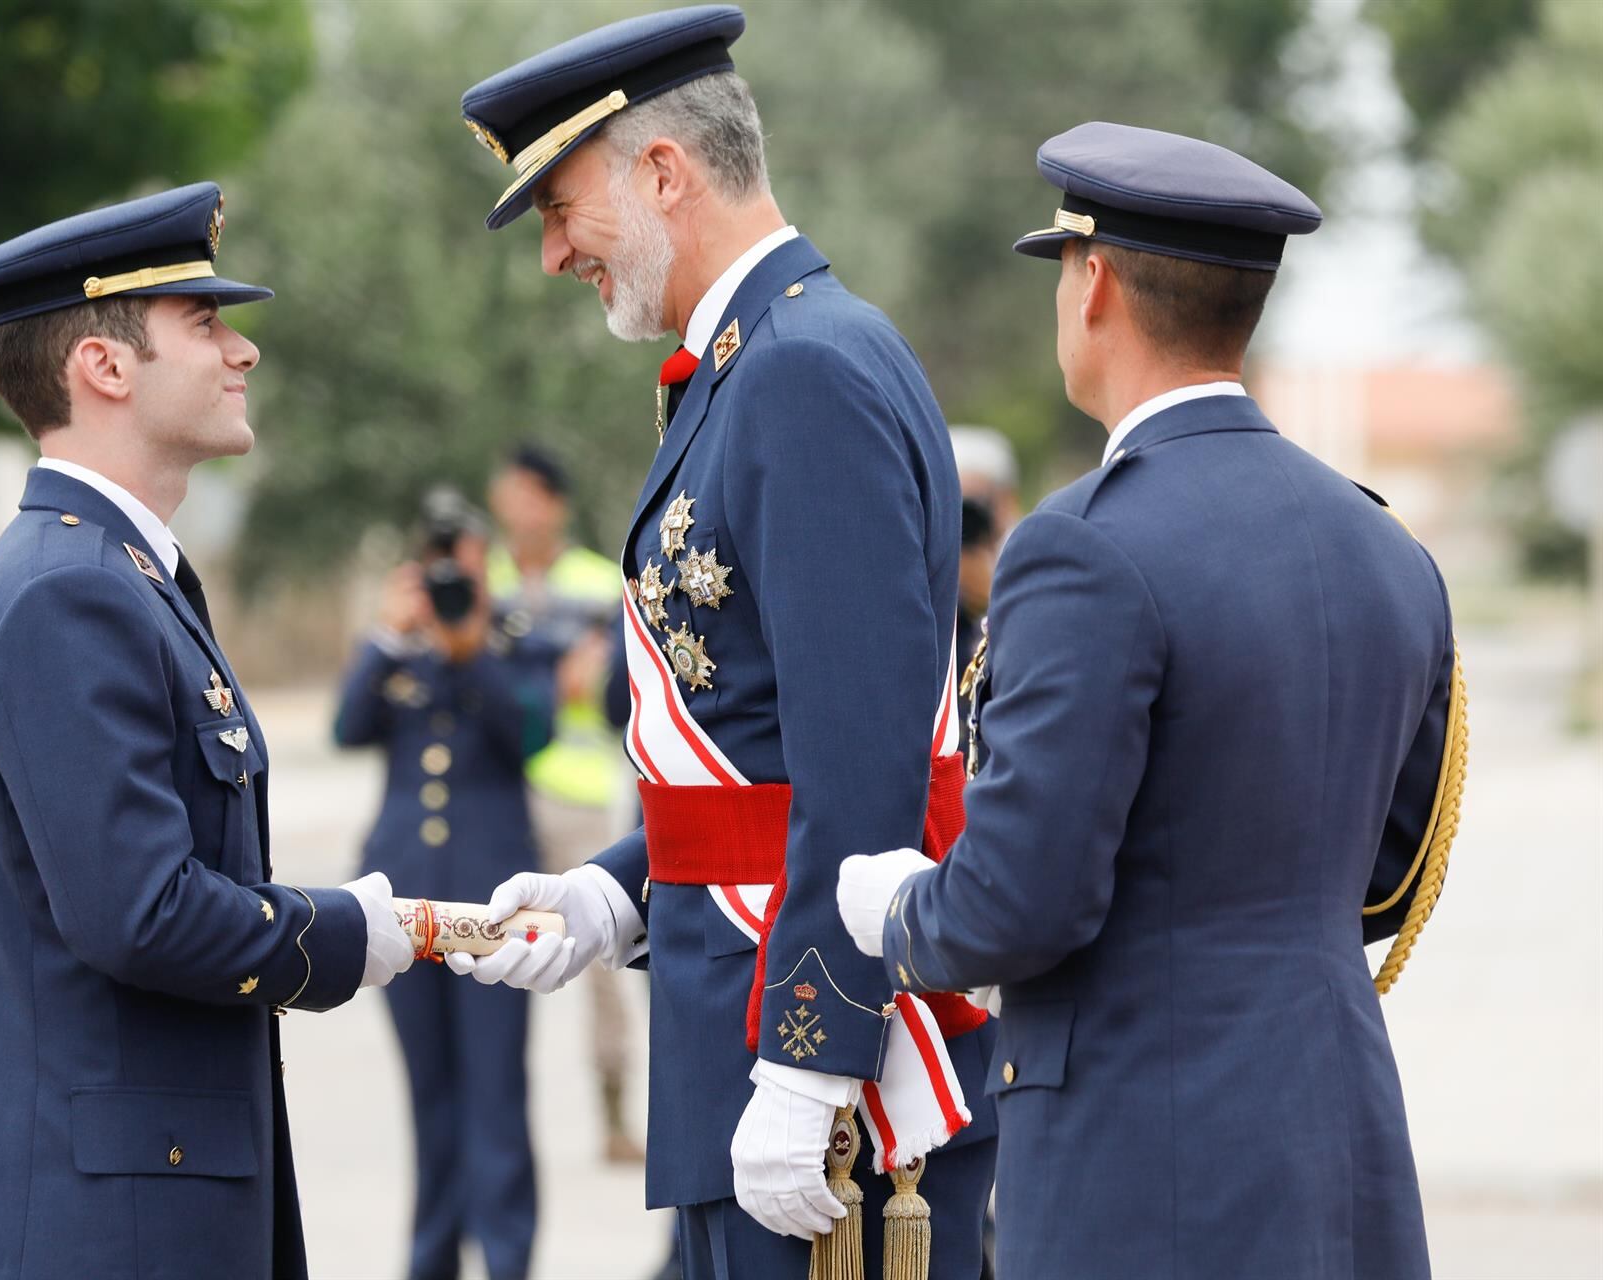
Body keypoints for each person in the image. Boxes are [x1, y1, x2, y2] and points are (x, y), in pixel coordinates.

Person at [837, 123, 1456, 1280]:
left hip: (1143, 1144)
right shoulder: (1388, 547)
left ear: (1096, 282)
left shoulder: (1082, 546)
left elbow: (1022, 902)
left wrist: (903, 911)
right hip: (1339, 1128)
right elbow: (1389, 875)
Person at [448, 9, 999, 1277]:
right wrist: (616, 889)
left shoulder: (802, 371)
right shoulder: (761, 362)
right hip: (731, 1014)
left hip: (813, 1068)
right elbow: (754, 743)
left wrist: (811, 1058)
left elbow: (859, 763)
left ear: (661, 172)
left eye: (560, 206)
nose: (551, 255)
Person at [0, 182, 415, 1279]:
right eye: (206, 323)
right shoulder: (71, 594)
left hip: (140, 1193)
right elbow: (139, 910)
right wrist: (344, 936)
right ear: (105, 365)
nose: (244, 353)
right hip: (110, 1221)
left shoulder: (120, 576)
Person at [335, 489, 553, 1280]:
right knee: (430, 1097)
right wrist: (388, 635)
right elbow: (346, 727)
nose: (451, 579)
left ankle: (506, 1259)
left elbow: (530, 733)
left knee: (495, 1094)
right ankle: (430, 1260)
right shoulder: (401, 649)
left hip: (492, 902)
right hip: (404, 900)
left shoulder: (513, 642)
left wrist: (472, 648)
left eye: (464, 562)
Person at [484, 443, 642, 1162]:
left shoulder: (594, 582)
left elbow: (614, 691)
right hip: (508, 794)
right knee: (492, 949)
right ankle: (499, 1117)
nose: (513, 508)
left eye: (525, 494)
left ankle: (613, 1114)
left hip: (580, 796)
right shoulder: (483, 582)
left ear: (555, 502)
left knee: (602, 962)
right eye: (504, 493)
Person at [946, 426, 1020, 647]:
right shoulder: (929, 563)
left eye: (976, 503)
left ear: (1007, 500)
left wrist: (990, 599)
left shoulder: (1030, 558)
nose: (966, 518)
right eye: (956, 503)